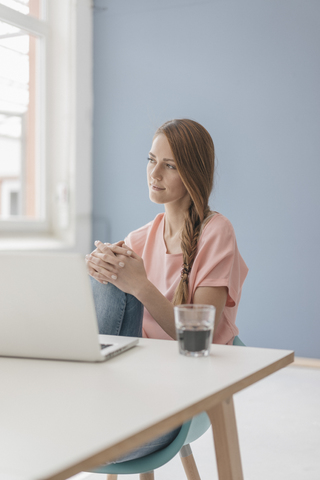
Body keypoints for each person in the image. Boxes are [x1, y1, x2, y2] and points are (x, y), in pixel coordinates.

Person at [85, 118, 248, 463]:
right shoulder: (141, 238)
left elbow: (197, 340)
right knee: (107, 273)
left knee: (84, 444)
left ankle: (92, 415)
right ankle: (90, 400)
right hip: (133, 385)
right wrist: (98, 269)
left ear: (192, 173)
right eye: (150, 160)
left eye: (169, 165)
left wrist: (140, 286)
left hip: (186, 393)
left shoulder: (217, 232)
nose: (154, 173)